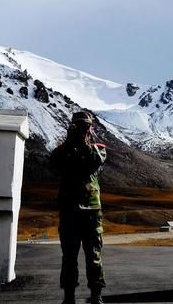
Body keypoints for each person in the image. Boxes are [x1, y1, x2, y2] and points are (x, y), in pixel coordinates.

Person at [50, 111, 107, 304]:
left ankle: (96, 294)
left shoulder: (98, 149)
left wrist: (83, 141)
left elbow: (93, 164)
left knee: (94, 256)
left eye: (85, 126)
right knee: (69, 257)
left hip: (92, 212)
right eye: (79, 125)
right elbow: (54, 164)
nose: (82, 129)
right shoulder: (64, 150)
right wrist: (69, 142)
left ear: (91, 128)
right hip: (69, 211)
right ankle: (69, 297)